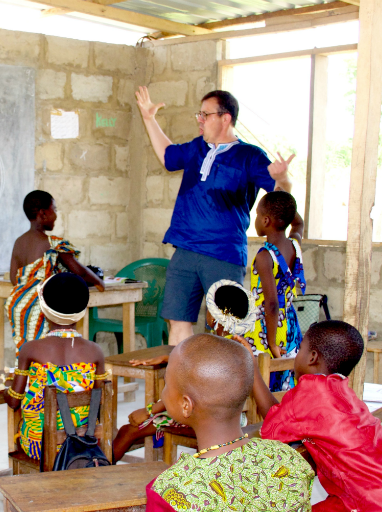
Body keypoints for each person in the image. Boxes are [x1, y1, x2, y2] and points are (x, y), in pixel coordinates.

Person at [135, 86, 294, 346]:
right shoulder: (197, 148)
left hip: (223, 254)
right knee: (177, 321)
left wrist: (283, 178)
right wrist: (148, 119)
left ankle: (223, 385)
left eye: (205, 115)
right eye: (199, 114)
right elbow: (168, 157)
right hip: (185, 250)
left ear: (225, 118)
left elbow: (281, 198)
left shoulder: (249, 156)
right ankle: (182, 382)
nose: (200, 119)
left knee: (226, 325)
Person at [250, 321, 382, 512]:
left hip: (372, 503)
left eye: (300, 350)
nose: (297, 355)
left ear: (312, 357)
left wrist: (251, 367)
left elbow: (272, 423)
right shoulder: (342, 390)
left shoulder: (311, 391)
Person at [145, 334, 313, 511]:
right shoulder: (288, 459)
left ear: (186, 405)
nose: (163, 393)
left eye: (166, 384)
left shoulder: (171, 491)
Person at [113, 280, 255, 462]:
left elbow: (186, 393)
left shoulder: (211, 345)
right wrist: (167, 358)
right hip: (230, 419)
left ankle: (99, 473)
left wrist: (148, 411)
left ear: (213, 317)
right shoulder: (238, 347)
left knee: (129, 430)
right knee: (138, 430)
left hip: (204, 417)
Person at [3, 273, 108, 460]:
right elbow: (98, 402)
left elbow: (13, 402)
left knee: (20, 431)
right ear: (83, 309)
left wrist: (6, 386)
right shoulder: (95, 352)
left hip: (39, 446)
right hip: (83, 443)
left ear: (44, 309)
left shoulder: (31, 350)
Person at [6, 190, 104, 351]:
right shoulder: (53, 243)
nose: (56, 216)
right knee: (45, 350)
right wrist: (99, 282)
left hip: (18, 305)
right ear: (43, 213)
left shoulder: (19, 242)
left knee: (26, 348)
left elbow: (13, 278)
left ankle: (27, 374)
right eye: (55, 210)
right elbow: (80, 272)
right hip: (41, 307)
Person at [249, 191, 305, 391]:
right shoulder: (294, 244)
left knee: (262, 375)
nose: (255, 219)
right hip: (289, 324)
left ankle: (262, 417)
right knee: (285, 375)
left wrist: (271, 343)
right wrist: (286, 209)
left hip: (268, 326)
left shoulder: (265, 256)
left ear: (265, 220)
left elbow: (271, 304)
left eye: (257, 215)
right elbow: (298, 224)